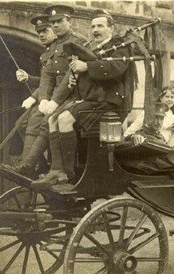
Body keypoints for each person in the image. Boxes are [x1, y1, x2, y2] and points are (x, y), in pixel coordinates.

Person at [31, 9, 135, 189]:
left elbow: (115, 69)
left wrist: (87, 66)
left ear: (111, 28)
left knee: (64, 119)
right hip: (92, 100)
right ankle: (56, 169)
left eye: (100, 26)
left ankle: (69, 172)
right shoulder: (92, 48)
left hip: (110, 103)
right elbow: (82, 76)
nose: (95, 30)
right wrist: (75, 77)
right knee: (52, 120)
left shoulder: (120, 47)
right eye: (93, 26)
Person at [2, 5, 88, 179]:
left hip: (74, 95)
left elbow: (70, 76)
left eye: (59, 21)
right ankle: (30, 164)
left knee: (44, 122)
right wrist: (41, 100)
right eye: (53, 22)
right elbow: (48, 76)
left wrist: (54, 101)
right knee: (29, 120)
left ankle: (30, 164)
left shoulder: (78, 42)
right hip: (57, 95)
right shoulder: (55, 47)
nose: (55, 25)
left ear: (69, 21)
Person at [15, 15, 57, 172]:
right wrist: (29, 78)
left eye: (45, 30)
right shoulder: (46, 54)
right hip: (47, 96)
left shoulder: (59, 51)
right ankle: (41, 164)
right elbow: (46, 81)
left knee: (33, 123)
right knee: (20, 124)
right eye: (38, 31)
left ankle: (27, 164)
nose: (40, 34)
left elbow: (57, 83)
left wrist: (34, 97)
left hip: (57, 99)